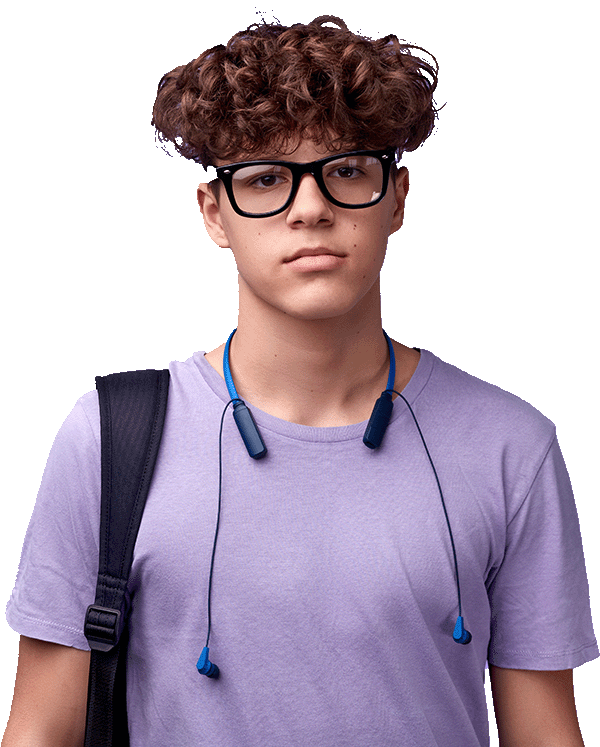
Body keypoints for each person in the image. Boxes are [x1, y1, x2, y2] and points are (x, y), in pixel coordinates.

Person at [3, 16, 597, 747]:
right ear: (214, 213)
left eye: (346, 170)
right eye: (265, 179)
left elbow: (546, 735)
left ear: (398, 198)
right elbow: (39, 732)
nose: (309, 208)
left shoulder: (514, 446)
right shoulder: (105, 439)